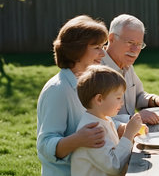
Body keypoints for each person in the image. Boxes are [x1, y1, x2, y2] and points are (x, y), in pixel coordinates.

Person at [37, 15, 108, 175]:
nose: (103, 54)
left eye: (103, 46)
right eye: (97, 47)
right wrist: (78, 140)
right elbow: (44, 146)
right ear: (77, 50)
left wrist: (121, 127)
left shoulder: (87, 83)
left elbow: (96, 121)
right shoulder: (58, 90)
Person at [101, 14, 159, 125]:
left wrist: (155, 100)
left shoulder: (126, 65)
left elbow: (138, 96)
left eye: (139, 44)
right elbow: (96, 119)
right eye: (130, 43)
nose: (135, 50)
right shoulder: (96, 71)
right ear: (111, 38)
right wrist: (133, 118)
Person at [71, 65, 144, 176]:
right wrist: (128, 134)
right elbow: (114, 166)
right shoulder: (93, 130)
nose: (122, 103)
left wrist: (133, 135)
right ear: (99, 99)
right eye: (118, 98)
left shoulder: (104, 119)